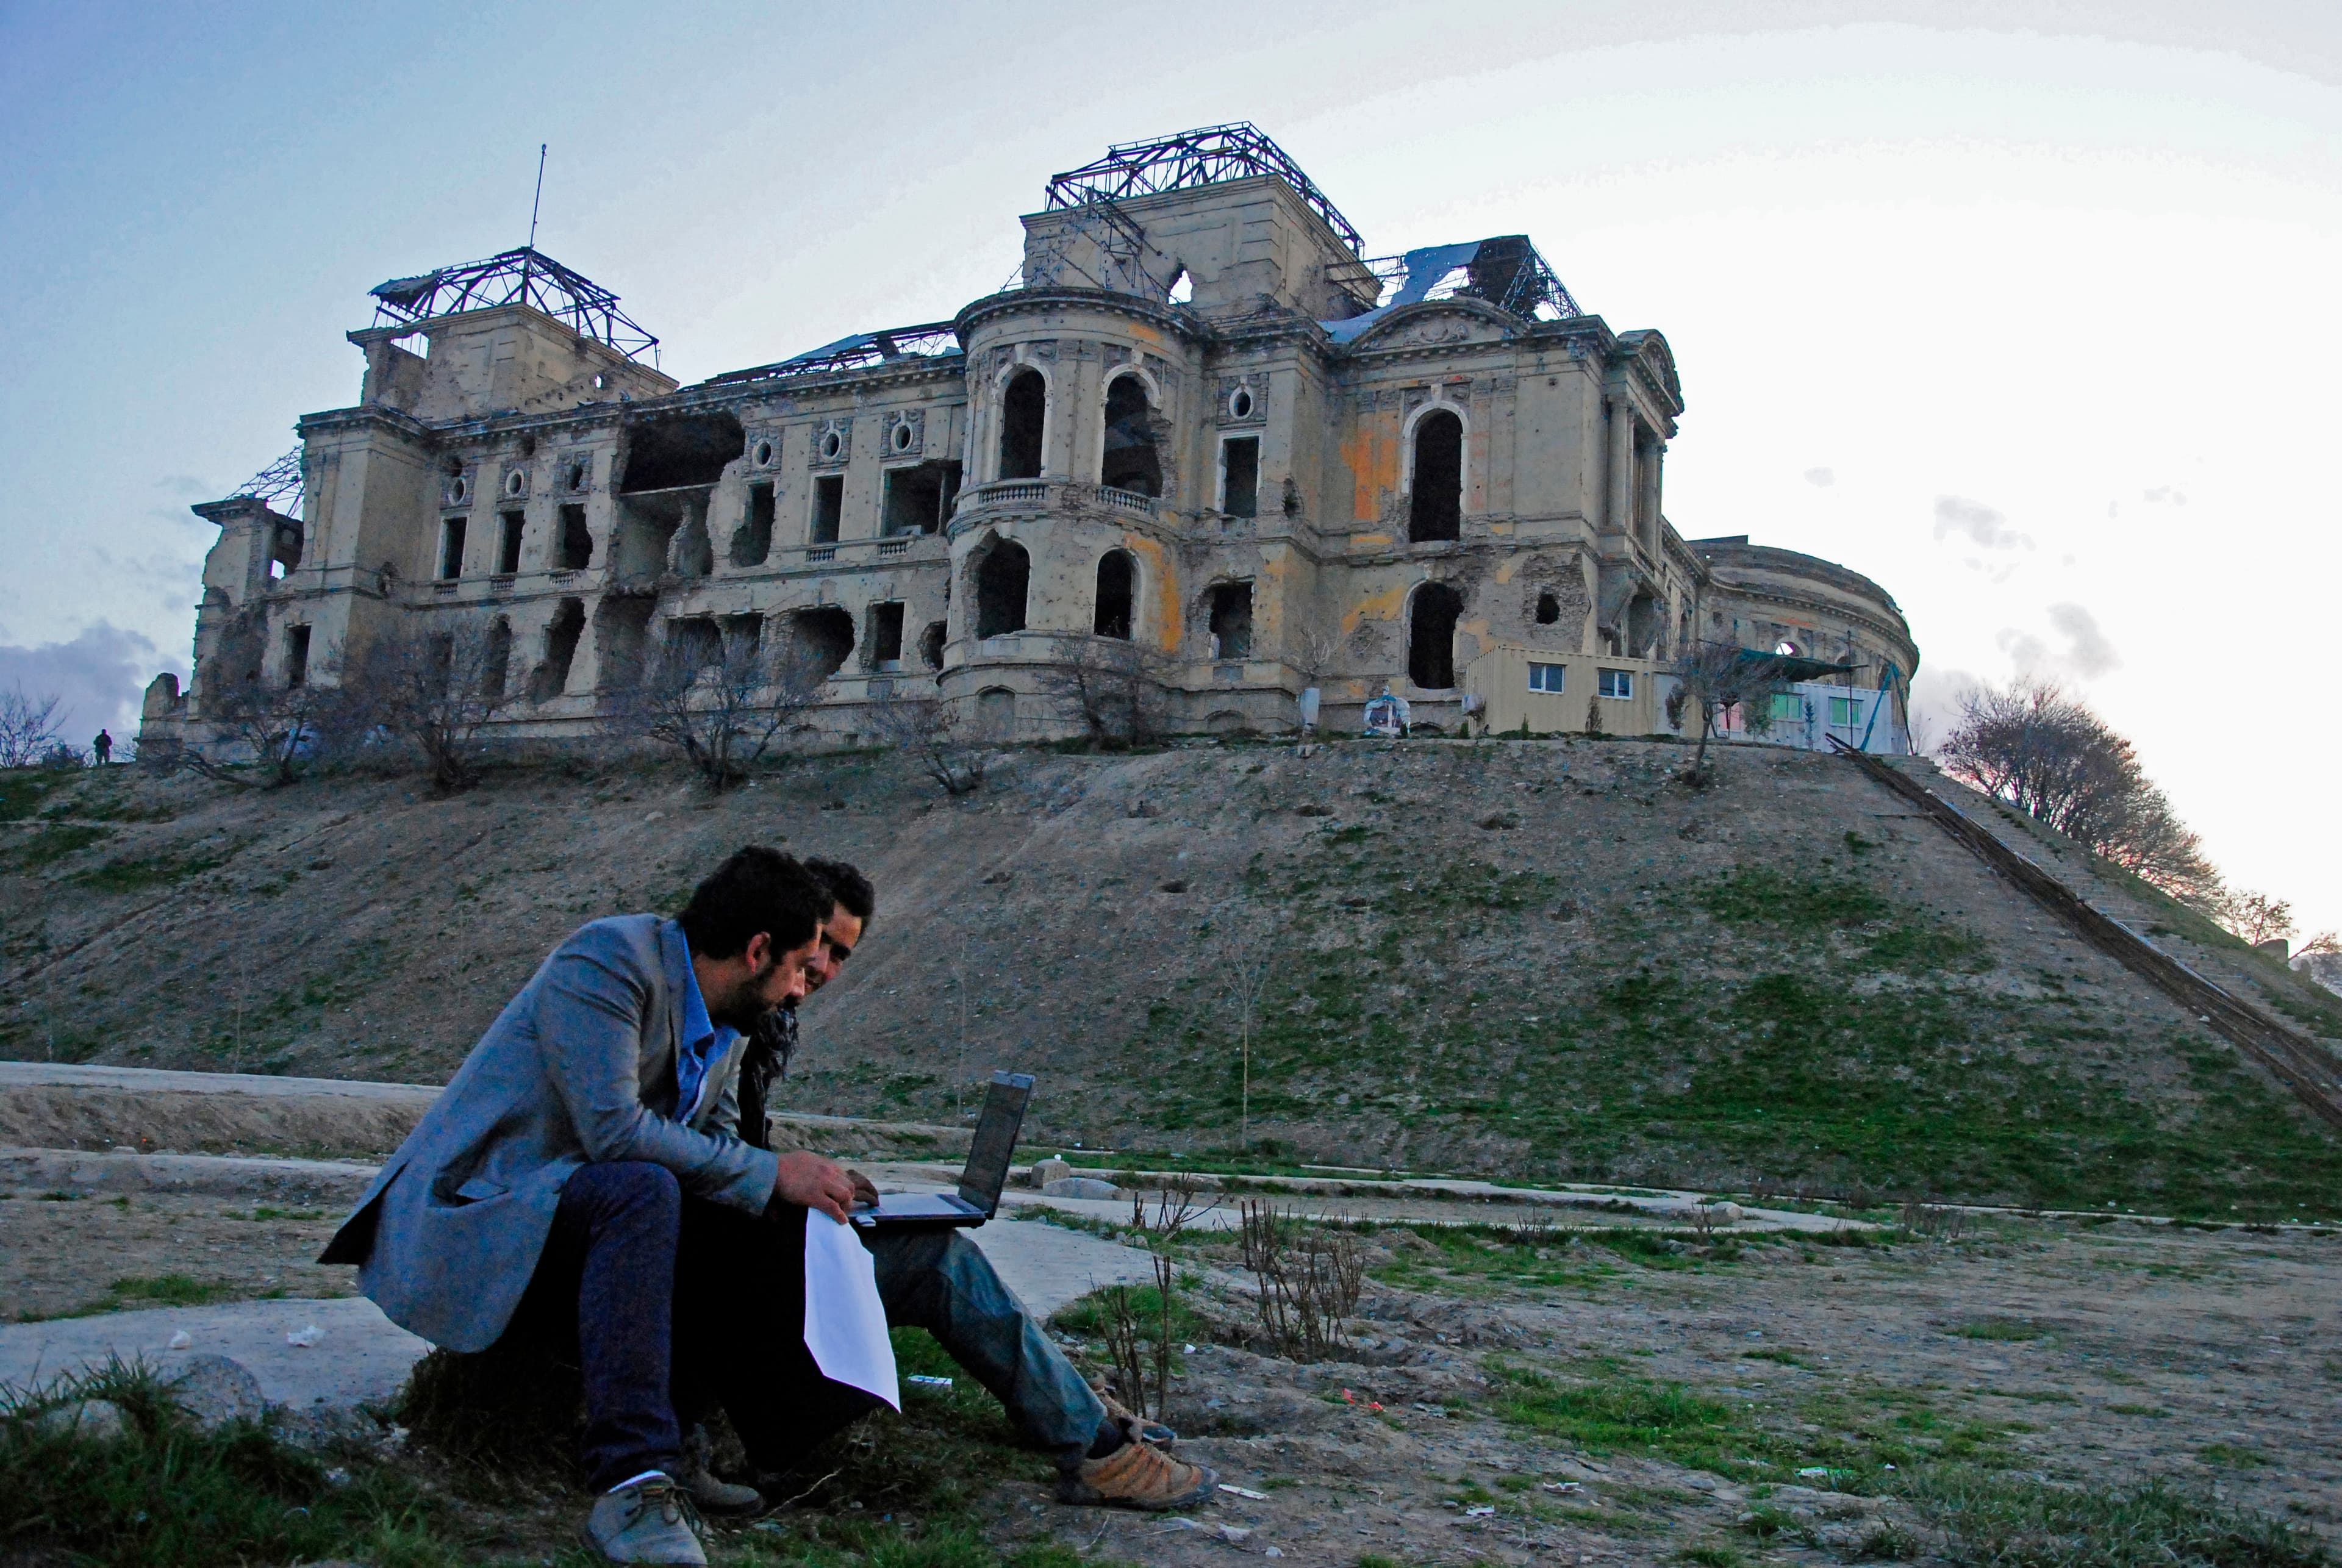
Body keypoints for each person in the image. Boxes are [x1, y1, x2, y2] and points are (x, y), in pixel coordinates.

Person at [322, 846, 853, 1564]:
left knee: (742, 1204)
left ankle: (703, 1436)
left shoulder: (729, 1018)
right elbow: (614, 1131)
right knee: (644, 1188)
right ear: (758, 950)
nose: (798, 990)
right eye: (796, 968)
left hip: (576, 1208)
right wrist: (767, 1172)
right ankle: (633, 1482)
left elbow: (723, 1148)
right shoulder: (610, 960)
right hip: (488, 1206)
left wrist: (784, 1181)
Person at [709, 856, 1214, 1512]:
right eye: (818, 949)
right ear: (771, 940)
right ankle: (1093, 1448)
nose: (822, 973)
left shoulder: (759, 1013)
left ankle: (1080, 1415)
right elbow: (698, 1156)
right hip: (728, 1272)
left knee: (931, 1242)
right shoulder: (730, 1013)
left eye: (840, 957)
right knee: (938, 1262)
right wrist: (780, 1180)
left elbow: (728, 1145)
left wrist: (804, 1173)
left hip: (743, 1241)